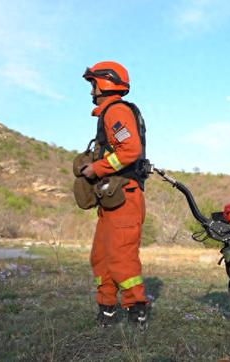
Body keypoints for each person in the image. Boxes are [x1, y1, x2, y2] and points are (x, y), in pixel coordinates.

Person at [80, 61, 149, 330]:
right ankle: (107, 308)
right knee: (101, 256)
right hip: (112, 197)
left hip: (125, 196)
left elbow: (129, 150)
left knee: (121, 256)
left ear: (105, 82)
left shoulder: (116, 112)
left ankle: (137, 309)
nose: (91, 91)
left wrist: (96, 167)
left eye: (93, 83)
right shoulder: (109, 113)